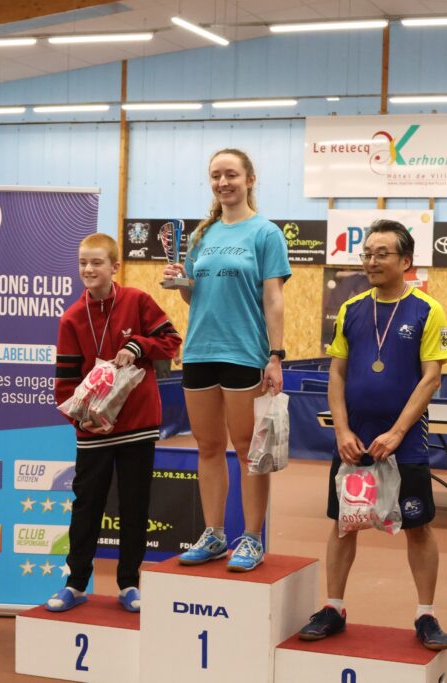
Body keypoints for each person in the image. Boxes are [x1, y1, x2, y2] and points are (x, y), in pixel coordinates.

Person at [298, 219, 447, 650]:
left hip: (406, 443)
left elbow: (431, 378)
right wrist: (342, 431)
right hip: (354, 440)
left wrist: (398, 432)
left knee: (417, 526)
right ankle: (333, 607)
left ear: (405, 261)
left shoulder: (428, 310)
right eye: (367, 253)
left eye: (381, 254)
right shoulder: (350, 309)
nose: (371, 261)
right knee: (343, 524)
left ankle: (426, 614)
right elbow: (337, 374)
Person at [164, 148, 291, 572]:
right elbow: (194, 296)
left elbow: (273, 298)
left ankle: (251, 538)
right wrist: (180, 283)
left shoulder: (266, 234)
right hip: (200, 351)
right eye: (216, 175)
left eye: (232, 174)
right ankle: (214, 534)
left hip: (244, 352)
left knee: (248, 450)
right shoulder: (202, 235)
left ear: (249, 179)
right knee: (208, 447)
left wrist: (275, 355)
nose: (223, 182)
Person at [48, 233, 182, 612]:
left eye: (96, 263)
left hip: (138, 425)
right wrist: (81, 417)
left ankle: (128, 584)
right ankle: (75, 583)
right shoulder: (71, 318)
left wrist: (138, 345)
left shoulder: (137, 301)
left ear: (114, 267)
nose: (88, 269)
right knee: (86, 505)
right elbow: (65, 383)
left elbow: (172, 341)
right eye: (83, 263)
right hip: (93, 431)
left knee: (134, 506)